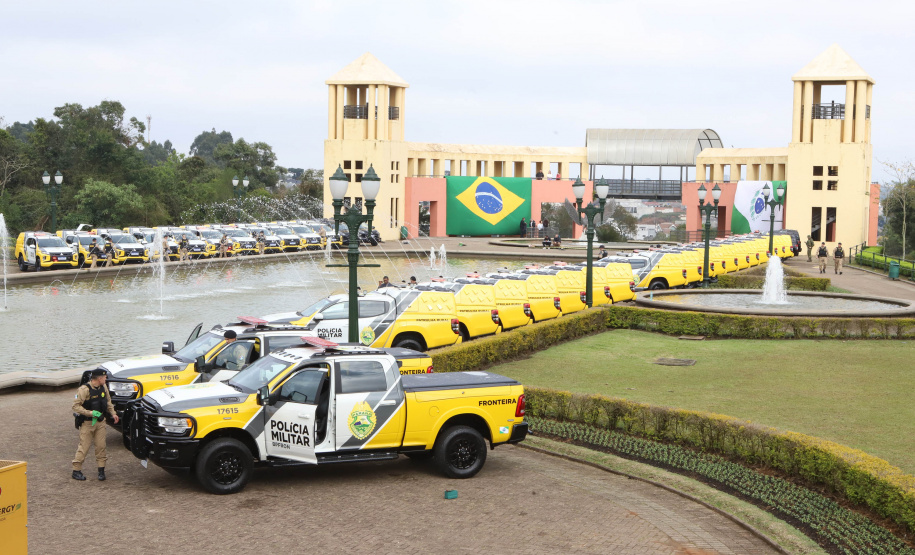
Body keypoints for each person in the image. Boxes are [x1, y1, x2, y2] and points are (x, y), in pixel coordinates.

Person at [71, 368, 119, 481]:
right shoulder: (84, 390)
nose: (106, 379)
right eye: (105, 377)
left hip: (100, 422)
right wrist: (90, 413)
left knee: (101, 446)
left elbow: (107, 401)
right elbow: (75, 406)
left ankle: (101, 470)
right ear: (99, 378)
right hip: (87, 423)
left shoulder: (103, 387)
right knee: (84, 447)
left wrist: (113, 413)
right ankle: (76, 470)